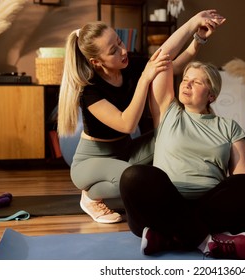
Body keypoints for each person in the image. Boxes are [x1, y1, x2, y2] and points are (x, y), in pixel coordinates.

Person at [119, 50, 245, 259]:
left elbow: (244, 179)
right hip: (165, 203)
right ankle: (207, 241)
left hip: (210, 207)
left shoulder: (229, 128)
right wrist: (195, 35)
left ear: (211, 95)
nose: (187, 84)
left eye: (197, 82)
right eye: (185, 79)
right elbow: (162, 57)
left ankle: (167, 236)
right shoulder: (168, 112)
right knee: (133, 176)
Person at [57, 11, 225, 224]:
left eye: (119, 42)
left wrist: (196, 37)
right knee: (134, 178)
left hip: (124, 150)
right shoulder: (89, 91)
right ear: (96, 62)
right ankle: (90, 196)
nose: (123, 51)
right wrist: (145, 77)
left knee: (166, 138)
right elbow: (127, 124)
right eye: (113, 51)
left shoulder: (128, 64)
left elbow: (166, 62)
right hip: (92, 162)